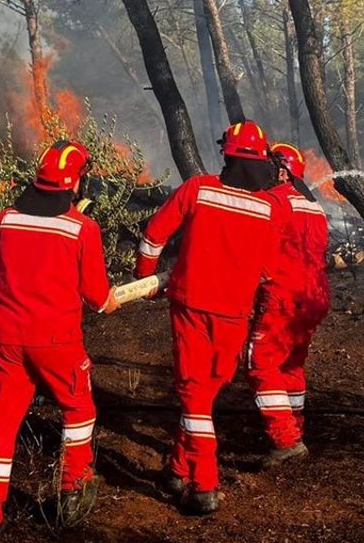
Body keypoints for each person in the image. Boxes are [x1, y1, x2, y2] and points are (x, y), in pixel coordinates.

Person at [0, 140, 119, 542]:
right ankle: (73, 489)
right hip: (56, 341)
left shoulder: (6, 219)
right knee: (78, 409)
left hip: (6, 339)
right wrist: (112, 301)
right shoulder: (83, 229)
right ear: (77, 181)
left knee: (0, 422)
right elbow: (98, 297)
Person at [133, 120, 287, 515]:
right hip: (235, 314)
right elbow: (270, 270)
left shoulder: (197, 189)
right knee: (203, 395)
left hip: (191, 308)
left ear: (228, 153)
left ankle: (204, 486)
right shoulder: (270, 208)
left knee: (195, 397)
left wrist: (145, 277)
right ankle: (177, 470)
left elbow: (153, 235)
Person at [246, 143, 331, 467]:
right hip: (314, 297)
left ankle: (285, 439)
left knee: (262, 364)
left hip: (283, 295)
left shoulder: (271, 202)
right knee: (291, 365)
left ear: (282, 171)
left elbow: (257, 252)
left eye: (268, 166)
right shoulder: (315, 207)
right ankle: (295, 429)